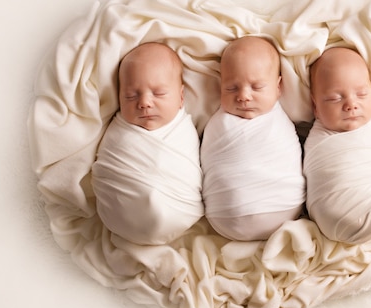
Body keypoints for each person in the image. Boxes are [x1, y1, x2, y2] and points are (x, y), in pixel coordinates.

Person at [91, 42, 203, 245]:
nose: (144, 103)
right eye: (131, 96)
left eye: (158, 93)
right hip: (117, 215)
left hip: (179, 211)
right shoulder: (119, 129)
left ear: (181, 97)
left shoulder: (184, 130)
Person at [200, 36, 305, 241]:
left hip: (284, 206)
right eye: (231, 88)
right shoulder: (216, 124)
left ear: (278, 87)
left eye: (256, 87)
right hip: (225, 215)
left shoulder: (283, 119)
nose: (244, 96)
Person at [303, 47, 371, 244]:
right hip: (335, 216)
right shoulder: (316, 141)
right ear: (315, 106)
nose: (351, 104)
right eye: (335, 98)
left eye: (361, 94)